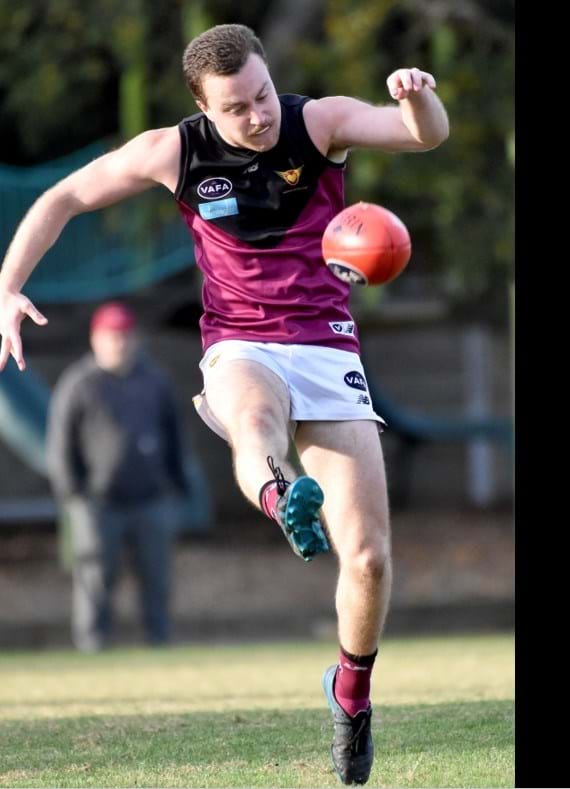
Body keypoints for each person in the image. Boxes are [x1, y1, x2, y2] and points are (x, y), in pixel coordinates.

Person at [0, 24, 448, 785]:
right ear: (204, 108)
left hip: (328, 345)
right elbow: (66, 195)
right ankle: (279, 495)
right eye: (236, 108)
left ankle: (351, 689)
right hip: (239, 339)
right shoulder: (174, 152)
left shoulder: (320, 122)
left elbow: (421, 137)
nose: (258, 116)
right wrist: (8, 286)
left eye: (263, 95)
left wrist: (419, 97)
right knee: (252, 423)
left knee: (369, 558)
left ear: (273, 79)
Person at [46, 302, 188, 653]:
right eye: (111, 336)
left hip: (151, 498)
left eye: (125, 336)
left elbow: (175, 435)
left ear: (135, 338)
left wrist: (178, 482)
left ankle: (160, 643)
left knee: (156, 577)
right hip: (98, 502)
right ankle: (93, 646)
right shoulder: (78, 383)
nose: (119, 344)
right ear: (96, 340)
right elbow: (60, 443)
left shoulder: (155, 380)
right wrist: (72, 493)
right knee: (95, 577)